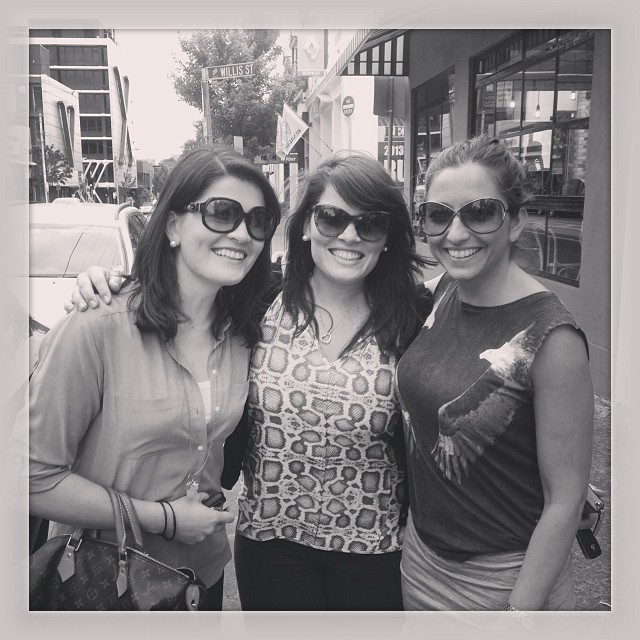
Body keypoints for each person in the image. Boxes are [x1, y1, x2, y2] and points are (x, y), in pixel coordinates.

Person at [68, 150, 434, 611]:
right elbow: (181, 287)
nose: (349, 235)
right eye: (331, 218)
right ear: (306, 226)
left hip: (374, 549)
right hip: (271, 545)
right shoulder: (257, 301)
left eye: (371, 224)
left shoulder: (415, 316)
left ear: (388, 238)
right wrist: (108, 282)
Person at [28, 146, 281, 610]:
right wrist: (163, 518)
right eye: (221, 213)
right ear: (172, 226)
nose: (242, 233)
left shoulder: (244, 333)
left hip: (199, 577)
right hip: (105, 583)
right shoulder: (97, 326)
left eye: (258, 221)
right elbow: (31, 476)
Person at [395, 135, 594, 612]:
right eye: (438, 215)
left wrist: (518, 614)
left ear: (516, 221)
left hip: (503, 580)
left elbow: (564, 501)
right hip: (420, 560)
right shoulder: (443, 291)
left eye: (480, 212)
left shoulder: (552, 336)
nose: (455, 234)